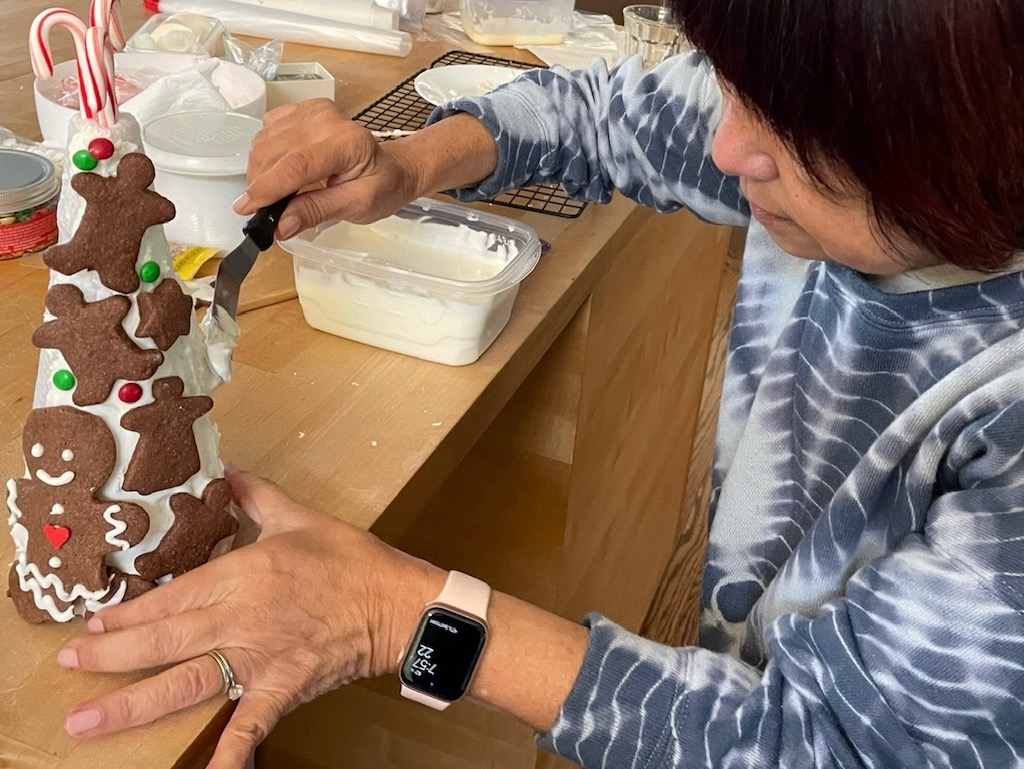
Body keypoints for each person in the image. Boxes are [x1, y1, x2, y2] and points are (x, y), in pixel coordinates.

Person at [54, 0, 1024, 766]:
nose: (729, 151)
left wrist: (404, 614)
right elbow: (615, 116)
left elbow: (831, 746)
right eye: (736, 86)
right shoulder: (850, 128)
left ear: (961, 158)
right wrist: (407, 162)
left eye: (800, 138)